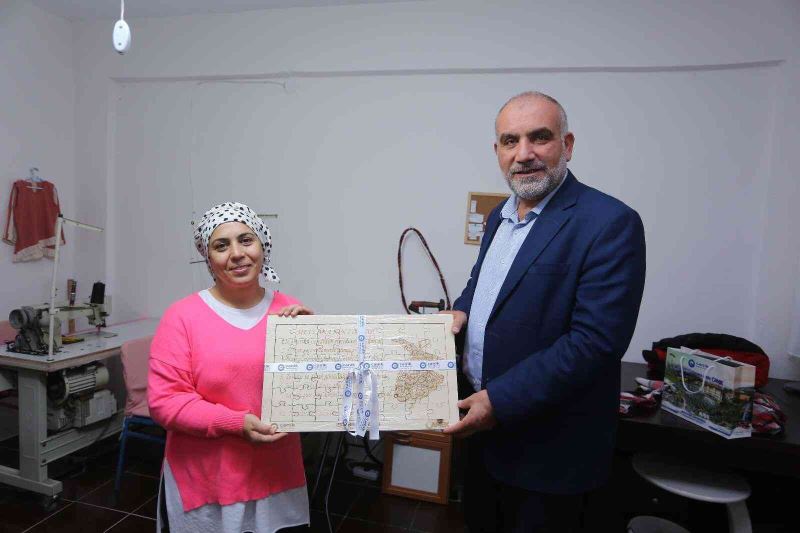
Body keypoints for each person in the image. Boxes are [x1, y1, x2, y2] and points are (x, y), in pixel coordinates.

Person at [443, 92, 647, 532]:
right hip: (482, 436)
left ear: (566, 145)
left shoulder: (609, 222)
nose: (524, 154)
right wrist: (460, 312)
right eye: (510, 141)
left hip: (550, 452)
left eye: (539, 137)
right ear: (497, 151)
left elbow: (595, 343)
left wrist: (498, 400)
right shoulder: (499, 216)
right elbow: (482, 286)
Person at [148, 201, 312, 533]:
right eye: (221, 246)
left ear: (262, 246)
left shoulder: (290, 311)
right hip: (207, 485)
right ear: (208, 258)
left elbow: (313, 394)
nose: (237, 254)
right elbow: (166, 402)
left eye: (245, 240)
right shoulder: (182, 317)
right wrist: (235, 422)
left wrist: (316, 341)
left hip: (277, 477)